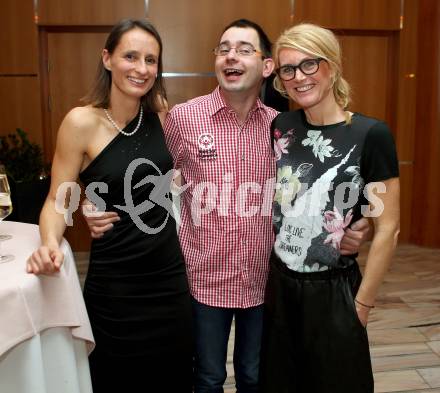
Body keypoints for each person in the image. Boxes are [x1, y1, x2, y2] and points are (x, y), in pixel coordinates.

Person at [84, 19, 370, 393]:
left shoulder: (284, 127)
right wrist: (92, 201)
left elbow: (322, 184)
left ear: (267, 67)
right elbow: (138, 167)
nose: (231, 56)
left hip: (264, 278)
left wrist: (357, 225)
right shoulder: (183, 118)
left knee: (255, 377)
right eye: (224, 49)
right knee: (207, 378)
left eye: (245, 49)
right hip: (201, 278)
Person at [26, 19, 193, 393]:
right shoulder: (80, 122)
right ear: (107, 58)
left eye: (151, 60)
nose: (141, 68)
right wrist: (50, 243)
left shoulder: (164, 116)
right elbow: (57, 198)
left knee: (174, 379)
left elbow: (178, 179)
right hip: (114, 286)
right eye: (130, 56)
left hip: (168, 281)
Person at [259, 23, 400, 393]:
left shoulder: (371, 135)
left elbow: (389, 228)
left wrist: (363, 306)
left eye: (309, 65)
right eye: (288, 69)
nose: (298, 77)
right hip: (281, 289)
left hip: (335, 290)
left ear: (332, 67)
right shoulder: (282, 126)